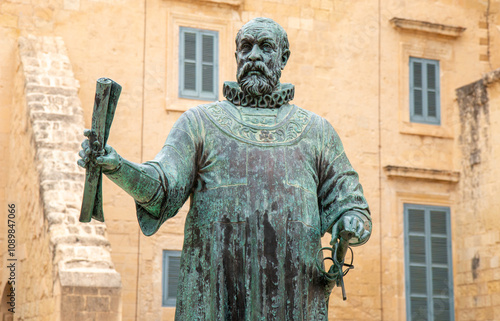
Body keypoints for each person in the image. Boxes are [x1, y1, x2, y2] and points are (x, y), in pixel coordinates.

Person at [78, 17, 371, 321]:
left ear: (283, 58)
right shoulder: (199, 124)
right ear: (236, 57)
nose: (254, 55)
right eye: (246, 47)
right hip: (214, 296)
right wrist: (117, 167)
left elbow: (351, 206)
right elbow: (162, 187)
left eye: (265, 47)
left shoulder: (317, 132)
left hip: (293, 298)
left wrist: (349, 225)